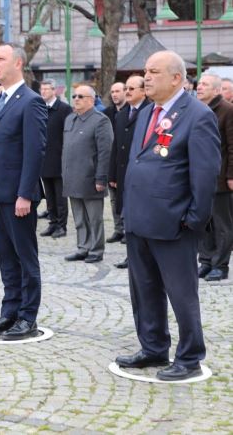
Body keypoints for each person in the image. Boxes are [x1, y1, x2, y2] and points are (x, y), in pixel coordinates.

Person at [116, 50, 221, 381]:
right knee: (143, 289)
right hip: (139, 218)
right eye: (145, 71)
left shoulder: (197, 115)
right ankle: (153, 347)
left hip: (173, 222)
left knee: (181, 293)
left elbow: (205, 176)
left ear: (177, 78)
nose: (146, 77)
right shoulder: (148, 111)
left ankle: (189, 357)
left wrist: (193, 219)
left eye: (154, 72)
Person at [0, 43, 47, 341]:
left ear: (18, 63)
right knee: (5, 257)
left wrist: (25, 194)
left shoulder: (30, 101)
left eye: (1, 58)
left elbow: (35, 151)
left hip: (18, 196)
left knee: (24, 258)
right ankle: (9, 312)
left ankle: (27, 317)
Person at [63, 85, 113, 263]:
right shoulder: (70, 119)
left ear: (91, 100)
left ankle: (96, 250)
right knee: (78, 218)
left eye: (81, 96)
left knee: (94, 219)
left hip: (90, 178)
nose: (76, 99)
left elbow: (105, 152)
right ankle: (83, 247)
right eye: (74, 96)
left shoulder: (100, 120)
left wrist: (101, 178)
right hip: (72, 178)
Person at [108, 76, 150, 269]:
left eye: (132, 88)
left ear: (144, 91)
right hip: (123, 174)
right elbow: (116, 146)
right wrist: (113, 174)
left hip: (142, 176)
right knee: (127, 217)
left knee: (142, 216)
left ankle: (145, 255)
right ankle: (131, 255)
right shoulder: (122, 113)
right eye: (126, 88)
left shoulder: (149, 112)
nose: (127, 92)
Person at [196, 73, 233, 281]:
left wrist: (231, 175)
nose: (199, 87)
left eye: (205, 84)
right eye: (199, 83)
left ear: (217, 90)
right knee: (203, 222)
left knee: (222, 224)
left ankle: (220, 265)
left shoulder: (228, 110)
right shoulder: (197, 110)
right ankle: (206, 261)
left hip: (220, 178)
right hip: (199, 178)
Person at [39, 78, 72, 239]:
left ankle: (61, 225)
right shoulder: (39, 108)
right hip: (44, 160)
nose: (44, 91)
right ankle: (52, 222)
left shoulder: (64, 109)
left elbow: (69, 134)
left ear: (54, 91)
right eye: (42, 89)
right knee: (49, 196)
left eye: (47, 89)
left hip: (59, 159)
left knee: (60, 196)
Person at [104, 81, 126, 243]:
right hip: (112, 162)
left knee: (126, 199)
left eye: (118, 91)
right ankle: (118, 229)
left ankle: (127, 229)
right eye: (112, 92)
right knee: (113, 199)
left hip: (126, 164)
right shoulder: (107, 113)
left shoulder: (131, 112)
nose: (115, 94)